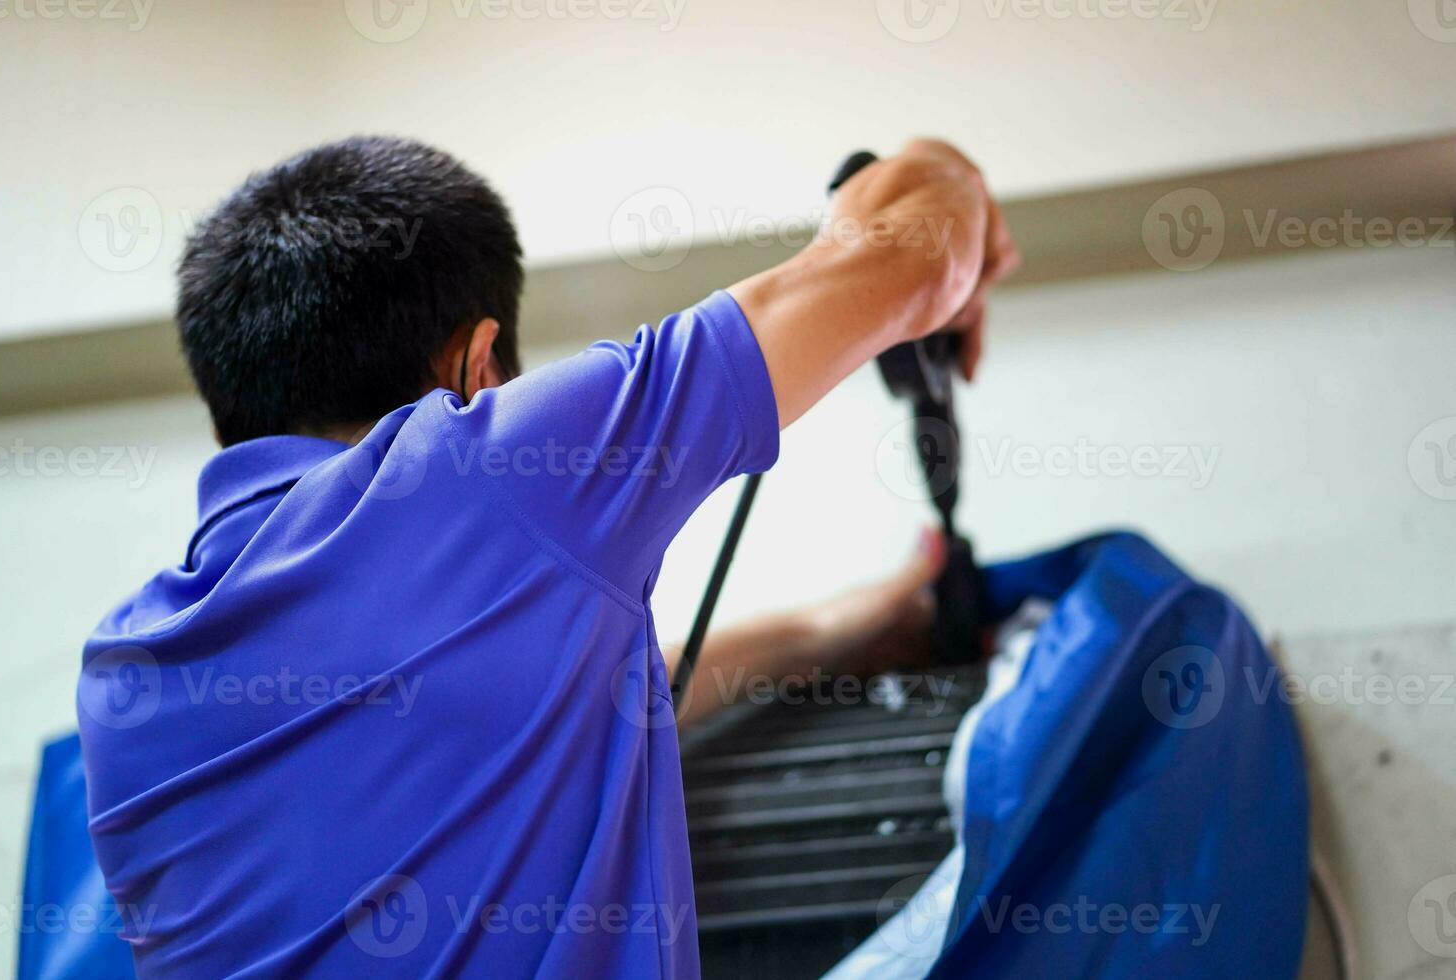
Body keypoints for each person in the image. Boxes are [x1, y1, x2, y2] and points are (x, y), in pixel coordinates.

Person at [76, 135, 1018, 978]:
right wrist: (945, 176)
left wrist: (845, 626)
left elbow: (519, 709)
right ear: (477, 366)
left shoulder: (123, 673)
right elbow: (914, 259)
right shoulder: (488, 473)